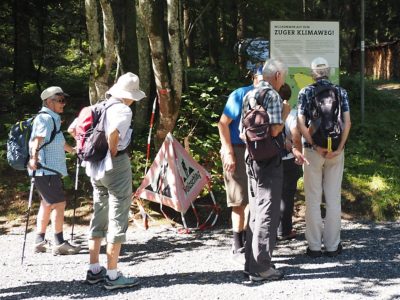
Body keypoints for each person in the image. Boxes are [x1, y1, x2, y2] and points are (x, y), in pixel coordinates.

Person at [84, 72, 146, 290]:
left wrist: (92, 153)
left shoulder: (99, 106)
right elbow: (113, 134)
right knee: (118, 215)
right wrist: (110, 154)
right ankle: (112, 275)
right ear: (130, 95)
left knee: (99, 213)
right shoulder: (123, 109)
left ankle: (94, 270)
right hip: (114, 164)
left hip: (93, 166)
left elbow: (74, 128)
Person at [241, 58, 290, 282]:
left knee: (255, 210)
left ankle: (251, 262)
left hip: (251, 156)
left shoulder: (250, 94)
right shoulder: (272, 96)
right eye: (285, 76)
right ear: (278, 75)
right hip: (268, 160)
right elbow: (274, 130)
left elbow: (244, 128)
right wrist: (286, 112)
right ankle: (262, 267)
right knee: (267, 211)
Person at [297, 57, 351, 258]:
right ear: (329, 72)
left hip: (313, 151)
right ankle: (332, 246)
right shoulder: (341, 92)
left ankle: (313, 247)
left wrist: (313, 145)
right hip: (336, 150)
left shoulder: (306, 92)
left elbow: (301, 123)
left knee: (312, 198)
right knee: (333, 198)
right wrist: (340, 147)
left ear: (313, 74)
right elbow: (348, 123)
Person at [28, 86, 81, 255]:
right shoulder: (45, 118)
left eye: (64, 100)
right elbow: (37, 140)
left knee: (47, 204)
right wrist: (33, 159)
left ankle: (40, 241)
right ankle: (59, 243)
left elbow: (58, 141)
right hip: (45, 169)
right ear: (49, 101)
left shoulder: (53, 119)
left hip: (50, 170)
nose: (63, 104)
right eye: (60, 100)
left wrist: (74, 150)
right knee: (59, 204)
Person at [217, 66, 263, 260]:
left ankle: (248, 239)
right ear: (254, 78)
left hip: (260, 150)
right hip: (237, 148)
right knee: (238, 199)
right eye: (260, 78)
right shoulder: (240, 94)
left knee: (256, 198)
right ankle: (237, 243)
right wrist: (228, 152)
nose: (263, 82)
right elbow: (223, 123)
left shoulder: (269, 96)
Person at [277, 83, 308, 241]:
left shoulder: (272, 111)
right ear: (289, 96)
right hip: (288, 159)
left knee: (273, 195)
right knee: (287, 195)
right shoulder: (291, 113)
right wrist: (299, 154)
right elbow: (296, 135)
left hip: (272, 158)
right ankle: (285, 230)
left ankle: (272, 229)